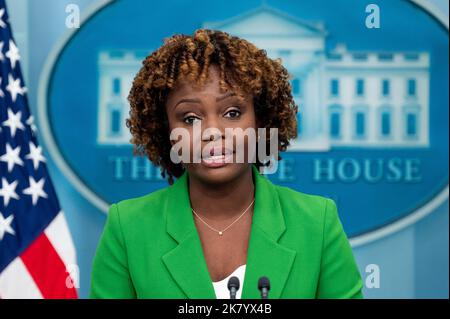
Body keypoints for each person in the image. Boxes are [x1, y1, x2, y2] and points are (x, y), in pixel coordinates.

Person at [89, 29, 363, 299]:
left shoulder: (317, 221)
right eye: (190, 118)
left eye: (232, 112)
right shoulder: (127, 227)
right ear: (166, 131)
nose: (213, 131)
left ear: (260, 121)